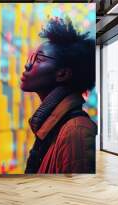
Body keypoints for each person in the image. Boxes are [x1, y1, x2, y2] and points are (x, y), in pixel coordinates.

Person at [21, 16, 96, 174]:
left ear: (62, 74)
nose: (28, 64)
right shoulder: (55, 125)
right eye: (32, 58)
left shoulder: (76, 131)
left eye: (39, 59)